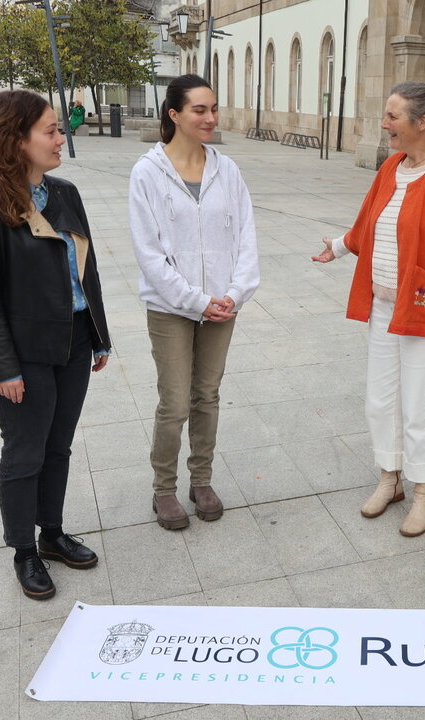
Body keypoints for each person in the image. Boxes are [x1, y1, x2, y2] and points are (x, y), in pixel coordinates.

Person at [312, 81, 425, 537]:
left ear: (422, 122)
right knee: (381, 401)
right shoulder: (392, 165)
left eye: (393, 116)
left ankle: (424, 496)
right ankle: (389, 479)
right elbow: (369, 222)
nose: (385, 124)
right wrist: (337, 247)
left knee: (420, 407)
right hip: (384, 307)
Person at [0, 90, 111, 600]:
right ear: (15, 139)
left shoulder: (65, 192)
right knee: (25, 450)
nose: (60, 136)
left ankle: (52, 534)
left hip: (70, 341)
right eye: (49, 129)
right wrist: (4, 367)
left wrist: (99, 336)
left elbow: (86, 272)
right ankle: (24, 550)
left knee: (58, 446)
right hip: (18, 353)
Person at [128, 74, 259, 530]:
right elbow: (149, 254)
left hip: (223, 305)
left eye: (213, 109)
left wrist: (234, 294)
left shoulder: (228, 169)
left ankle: (200, 480)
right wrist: (195, 300)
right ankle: (163, 490)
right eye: (200, 110)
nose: (210, 118)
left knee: (207, 396)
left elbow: (246, 239)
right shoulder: (148, 172)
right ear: (174, 114)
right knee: (176, 403)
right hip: (171, 308)